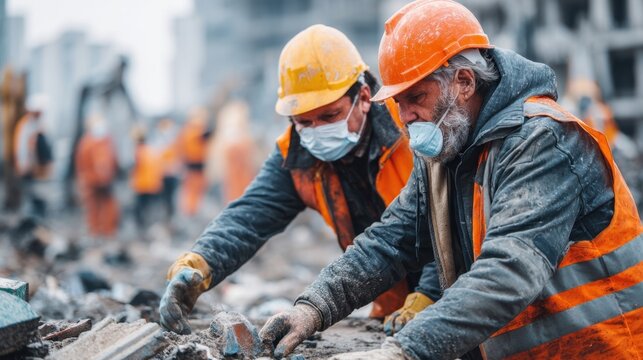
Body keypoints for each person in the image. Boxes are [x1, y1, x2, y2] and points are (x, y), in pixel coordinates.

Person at [259, 1, 643, 359]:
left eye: (416, 97)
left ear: (463, 82)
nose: (405, 116)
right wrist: (313, 308)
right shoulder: (446, 151)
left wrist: (404, 351)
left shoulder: (541, 142)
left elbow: (507, 273)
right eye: (397, 102)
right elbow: (390, 241)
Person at [159, 24, 438, 335]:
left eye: (330, 116)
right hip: (395, 310)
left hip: (456, 296)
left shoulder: (412, 129)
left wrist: (431, 294)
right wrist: (200, 263)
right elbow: (249, 217)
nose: (317, 129)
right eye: (304, 121)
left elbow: (452, 220)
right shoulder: (296, 154)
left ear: (362, 97)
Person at [75, 114, 120, 237]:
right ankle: (95, 232)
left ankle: (108, 231)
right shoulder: (87, 142)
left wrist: (112, 173)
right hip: (92, 181)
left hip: (104, 180)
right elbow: (82, 163)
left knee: (107, 206)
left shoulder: (106, 140)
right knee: (94, 207)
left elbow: (113, 159)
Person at [14, 97, 53, 218]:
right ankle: (33, 218)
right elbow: (21, 147)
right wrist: (22, 164)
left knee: (41, 194)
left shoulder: (40, 124)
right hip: (29, 166)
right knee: (32, 194)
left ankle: (40, 217)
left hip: (40, 166)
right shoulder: (25, 125)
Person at [177, 108, 211, 216]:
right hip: (195, 164)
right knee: (194, 189)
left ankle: (192, 210)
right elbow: (200, 137)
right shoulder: (192, 130)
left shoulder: (188, 130)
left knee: (196, 189)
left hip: (195, 164)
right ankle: (191, 211)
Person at [130, 125, 163, 230]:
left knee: (140, 209)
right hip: (152, 184)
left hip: (142, 185)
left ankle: (142, 227)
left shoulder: (138, 152)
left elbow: (135, 168)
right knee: (149, 208)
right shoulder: (151, 150)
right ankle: (149, 226)